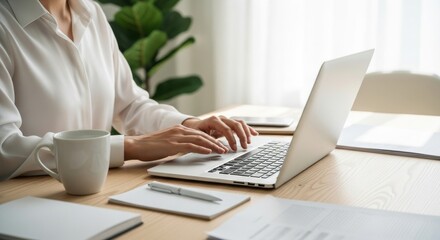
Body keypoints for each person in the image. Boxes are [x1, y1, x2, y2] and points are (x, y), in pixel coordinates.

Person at [0, 0, 258, 180]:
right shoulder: (5, 24)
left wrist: (187, 125)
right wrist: (130, 146)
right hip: (32, 201)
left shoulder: (91, 13)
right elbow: (5, 149)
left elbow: (129, 105)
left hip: (97, 190)